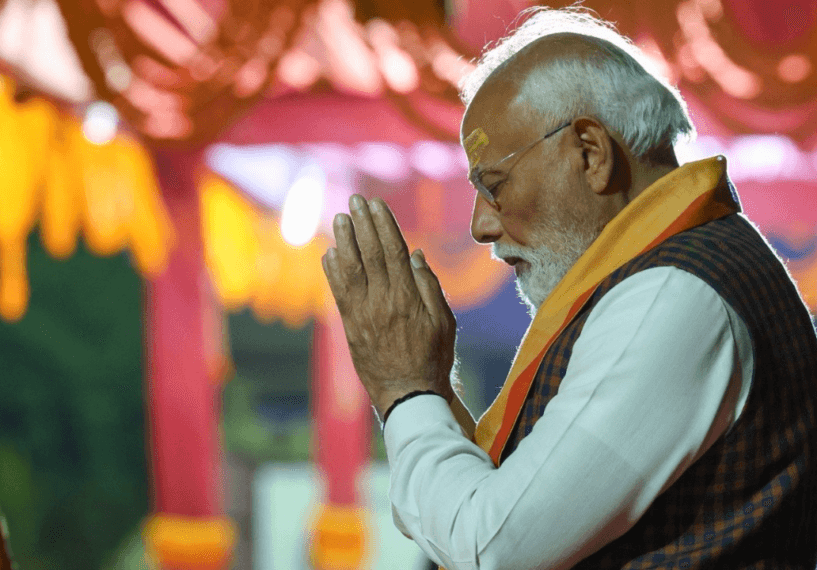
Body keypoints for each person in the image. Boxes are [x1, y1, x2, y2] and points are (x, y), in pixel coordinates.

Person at [320, 6, 817, 569]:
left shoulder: (672, 295)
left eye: (495, 183)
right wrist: (424, 386)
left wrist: (406, 389)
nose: (480, 225)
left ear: (590, 152)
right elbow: (504, 509)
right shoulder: (672, 275)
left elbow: (494, 548)